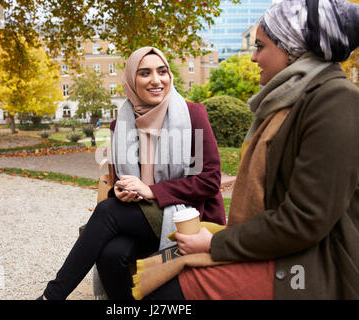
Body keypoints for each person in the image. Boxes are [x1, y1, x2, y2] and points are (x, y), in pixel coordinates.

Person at [143, 0, 359, 300]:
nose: (253, 58)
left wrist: (215, 243)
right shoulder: (291, 101)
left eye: (260, 47)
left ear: (291, 51)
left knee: (167, 289)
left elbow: (305, 220)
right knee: (158, 266)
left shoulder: (338, 101)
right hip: (288, 246)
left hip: (323, 263)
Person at [38, 47, 226, 300]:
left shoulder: (192, 115)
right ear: (131, 80)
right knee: (110, 255)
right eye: (145, 73)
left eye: (162, 72)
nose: (156, 80)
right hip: (138, 215)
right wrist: (120, 189)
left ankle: (51, 296)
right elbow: (121, 178)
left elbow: (209, 180)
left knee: (106, 212)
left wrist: (151, 190)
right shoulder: (120, 124)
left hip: (186, 214)